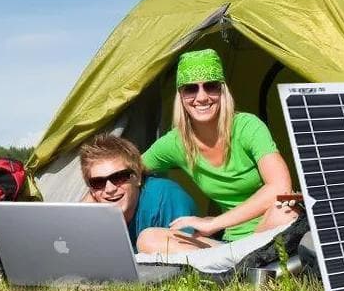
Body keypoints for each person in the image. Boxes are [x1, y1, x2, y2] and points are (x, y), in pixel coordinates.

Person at [142, 48, 298, 243]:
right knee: (149, 239)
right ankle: (235, 262)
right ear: (180, 96)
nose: (201, 97)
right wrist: (96, 195)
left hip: (267, 230)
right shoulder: (175, 142)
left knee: (283, 211)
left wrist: (214, 223)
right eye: (190, 88)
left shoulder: (247, 127)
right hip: (228, 241)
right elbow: (129, 169)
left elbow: (280, 187)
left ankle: (245, 262)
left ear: (222, 90)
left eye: (210, 86)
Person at [79, 134, 211, 254]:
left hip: (210, 257)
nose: (109, 189)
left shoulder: (165, 195)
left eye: (118, 177)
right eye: (98, 182)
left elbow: (194, 254)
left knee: (148, 240)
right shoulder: (96, 210)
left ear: (137, 177)